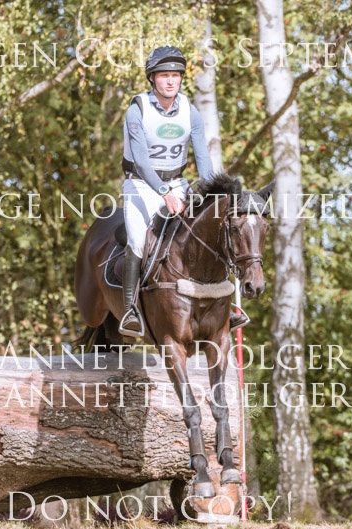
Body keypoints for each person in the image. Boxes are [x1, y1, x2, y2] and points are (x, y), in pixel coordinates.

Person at [119, 45, 247, 337]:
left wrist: (213, 194)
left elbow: (202, 156)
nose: (171, 81)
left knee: (212, 227)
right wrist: (165, 192)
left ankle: (224, 305)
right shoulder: (137, 110)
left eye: (175, 76)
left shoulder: (190, 111)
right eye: (164, 75)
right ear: (152, 78)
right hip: (141, 184)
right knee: (138, 240)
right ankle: (131, 310)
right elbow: (141, 160)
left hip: (178, 181)